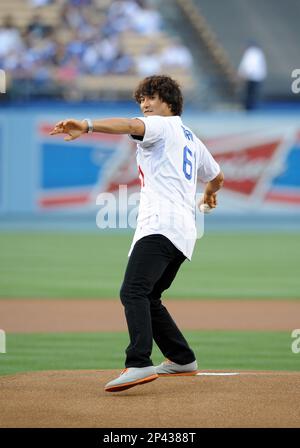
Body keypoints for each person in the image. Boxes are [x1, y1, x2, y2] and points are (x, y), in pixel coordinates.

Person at [50, 75, 224, 392]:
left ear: (168, 102)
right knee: (150, 296)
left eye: (151, 97)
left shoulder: (161, 124)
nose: (144, 104)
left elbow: (128, 125)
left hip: (160, 225)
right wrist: (210, 195)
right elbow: (217, 176)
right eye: (141, 99)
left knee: (132, 292)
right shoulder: (191, 138)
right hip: (184, 232)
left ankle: (139, 362)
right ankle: (181, 358)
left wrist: (87, 125)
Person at [238, 41, 267, 111]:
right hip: (257, 77)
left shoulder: (251, 53)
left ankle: (249, 109)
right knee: (252, 95)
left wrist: (243, 74)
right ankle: (250, 108)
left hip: (252, 77)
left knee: (250, 95)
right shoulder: (258, 52)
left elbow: (249, 65)